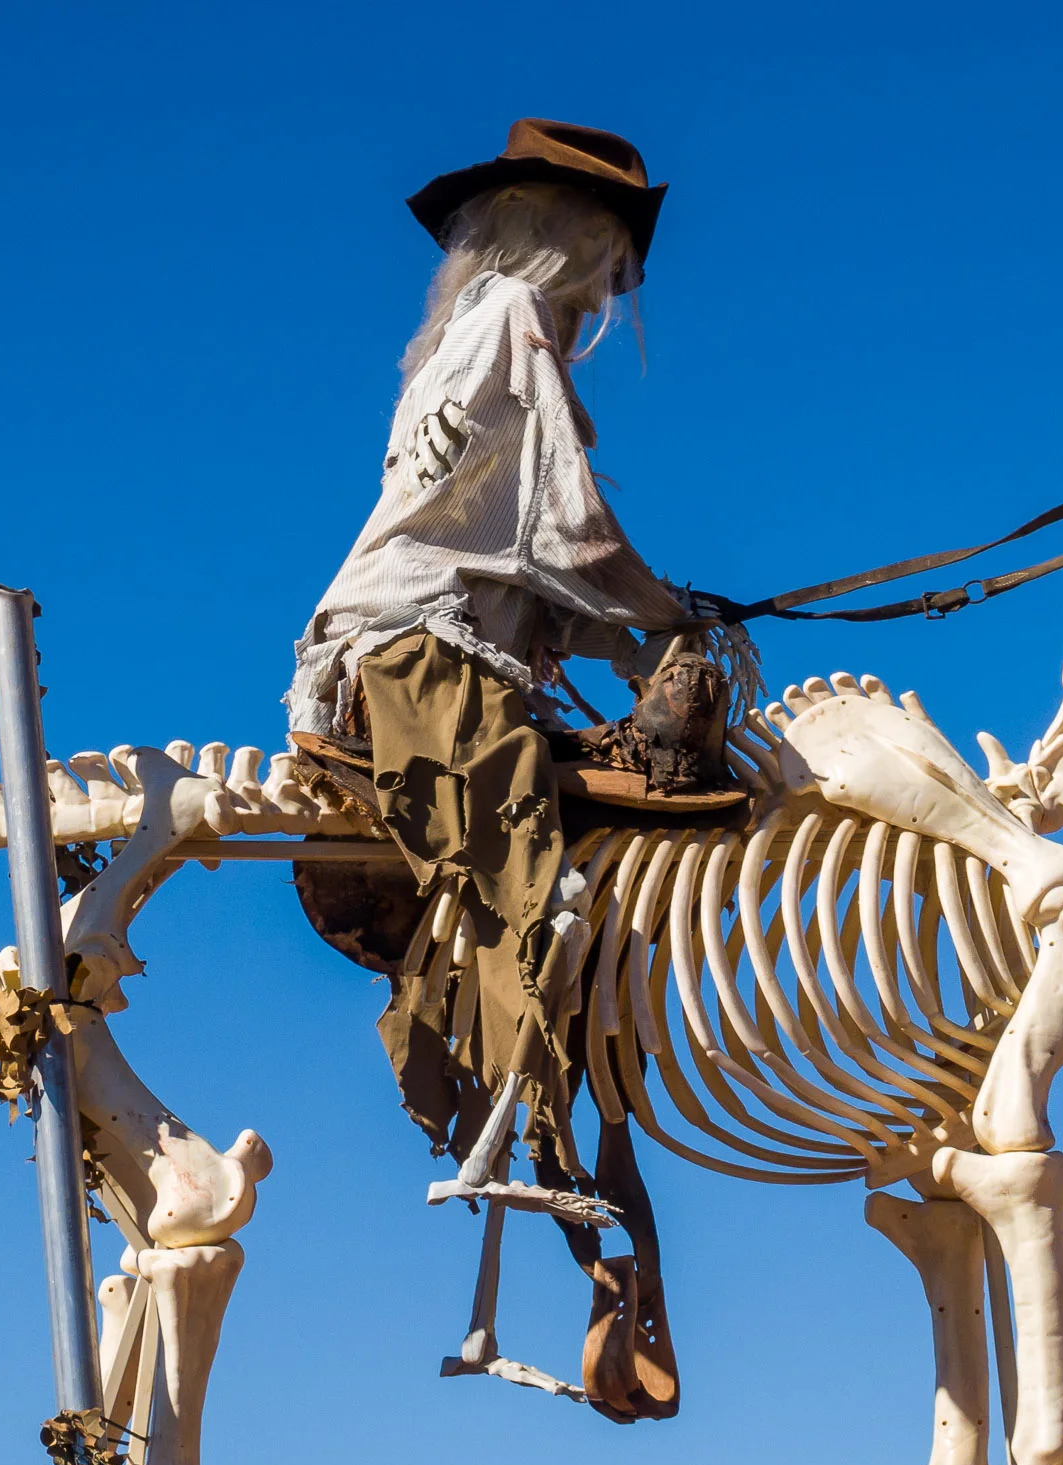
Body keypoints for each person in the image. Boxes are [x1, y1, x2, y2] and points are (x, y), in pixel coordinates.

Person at [288, 119, 735, 1203]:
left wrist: (631, 635)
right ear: (550, 230)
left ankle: (520, 1110)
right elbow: (567, 539)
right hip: (424, 663)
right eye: (607, 245)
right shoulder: (519, 319)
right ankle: (517, 1130)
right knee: (537, 886)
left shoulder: (453, 348)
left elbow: (515, 561)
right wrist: (676, 618)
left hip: (404, 646)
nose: (614, 277)